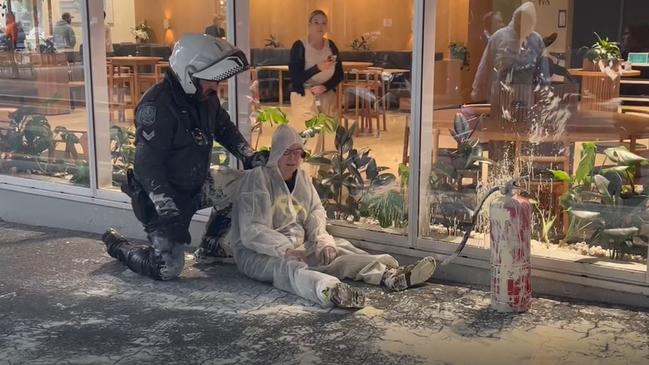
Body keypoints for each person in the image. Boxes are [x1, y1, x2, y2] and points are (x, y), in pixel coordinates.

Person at [101, 34, 268, 281]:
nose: (216, 86)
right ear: (189, 72)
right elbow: (146, 165)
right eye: (211, 79)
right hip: (163, 197)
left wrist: (249, 155)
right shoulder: (156, 105)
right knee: (166, 269)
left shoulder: (204, 98)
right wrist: (167, 208)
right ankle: (119, 246)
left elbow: (224, 128)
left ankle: (212, 244)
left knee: (245, 184)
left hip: (196, 184)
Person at [228, 125, 438, 308]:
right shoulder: (258, 180)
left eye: (297, 152)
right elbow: (252, 230)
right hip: (259, 254)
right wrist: (286, 250)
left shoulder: (302, 179)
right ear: (276, 154)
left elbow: (315, 212)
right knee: (289, 269)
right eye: (287, 152)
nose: (293, 158)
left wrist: (322, 241)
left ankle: (389, 275)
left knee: (338, 248)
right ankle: (328, 290)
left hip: (298, 246)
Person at [471, 2, 548, 104]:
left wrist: (544, 96)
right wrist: (477, 91)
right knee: (500, 118)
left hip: (525, 97)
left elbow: (542, 70)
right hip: (501, 96)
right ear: (517, 18)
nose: (523, 22)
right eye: (522, 18)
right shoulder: (498, 37)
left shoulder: (535, 40)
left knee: (522, 118)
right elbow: (485, 65)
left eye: (528, 20)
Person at [288, 9, 343, 123]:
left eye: (324, 23)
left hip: (327, 94)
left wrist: (325, 87)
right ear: (309, 25)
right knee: (309, 136)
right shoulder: (299, 46)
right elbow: (295, 78)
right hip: (304, 95)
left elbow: (339, 74)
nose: (320, 26)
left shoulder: (331, 46)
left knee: (329, 134)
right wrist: (317, 68)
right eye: (316, 22)